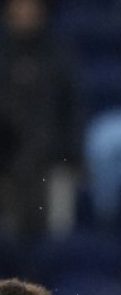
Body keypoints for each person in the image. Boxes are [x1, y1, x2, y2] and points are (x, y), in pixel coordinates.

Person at [0, 0, 80, 238]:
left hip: (52, 161)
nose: (25, 11)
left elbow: (72, 109)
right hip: (5, 165)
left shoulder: (60, 57)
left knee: (57, 238)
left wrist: (71, 157)